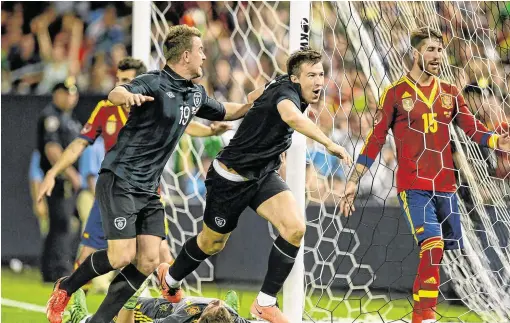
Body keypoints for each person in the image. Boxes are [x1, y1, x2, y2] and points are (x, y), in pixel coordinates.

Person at [44, 24, 259, 323]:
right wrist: (125, 96)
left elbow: (227, 109)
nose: (204, 58)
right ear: (185, 55)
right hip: (121, 179)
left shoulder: (195, 94)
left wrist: (256, 104)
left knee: (147, 260)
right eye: (199, 52)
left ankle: (99, 321)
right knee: (120, 256)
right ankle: (65, 288)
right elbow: (117, 92)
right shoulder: (153, 83)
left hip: (149, 188)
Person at [156, 48, 352, 323]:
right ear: (295, 78)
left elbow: (251, 98)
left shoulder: (279, 85)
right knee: (211, 243)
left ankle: (265, 303)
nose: (319, 81)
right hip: (229, 178)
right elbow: (292, 117)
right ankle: (171, 277)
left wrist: (263, 128)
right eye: (311, 75)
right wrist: (328, 142)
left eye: (321, 74)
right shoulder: (286, 97)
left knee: (295, 228)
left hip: (262, 175)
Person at [339, 27, 510, 323]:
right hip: (414, 187)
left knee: (437, 254)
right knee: (432, 245)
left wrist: (497, 141)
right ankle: (424, 318)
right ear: (415, 53)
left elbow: (472, 128)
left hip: (446, 187)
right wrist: (353, 179)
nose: (437, 56)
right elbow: (375, 140)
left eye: (440, 50)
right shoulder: (395, 94)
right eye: (431, 49)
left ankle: (422, 315)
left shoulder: (449, 93)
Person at [37, 78, 82, 283]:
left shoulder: (70, 119)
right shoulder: (51, 117)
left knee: (61, 224)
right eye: (66, 93)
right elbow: (51, 148)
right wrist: (70, 173)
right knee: (62, 224)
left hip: (66, 182)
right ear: (57, 94)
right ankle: (59, 269)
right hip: (58, 181)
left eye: (73, 93)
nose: (70, 97)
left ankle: (51, 269)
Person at [63, 283, 248, 323]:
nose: (216, 300)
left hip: (144, 312)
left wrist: (130, 300)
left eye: (214, 306)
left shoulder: (177, 321)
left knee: (115, 306)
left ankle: (81, 319)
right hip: (165, 304)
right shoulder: (234, 319)